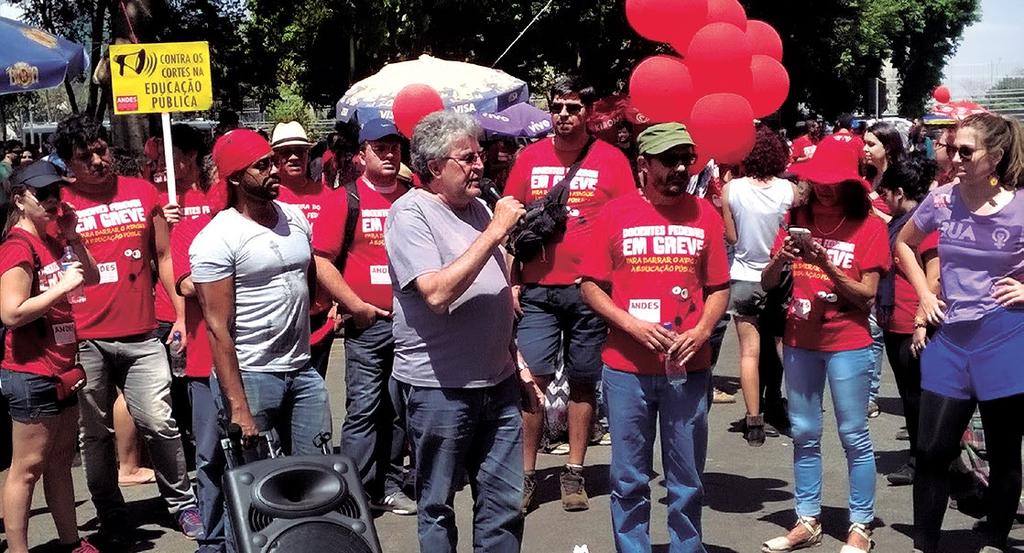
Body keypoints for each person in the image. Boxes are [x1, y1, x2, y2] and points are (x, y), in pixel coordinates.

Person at [384, 110, 543, 553]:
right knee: (437, 505)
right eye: (467, 158)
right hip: (441, 390)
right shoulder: (410, 214)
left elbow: (498, 300)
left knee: (504, 505)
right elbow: (436, 294)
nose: (480, 165)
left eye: (480, 155)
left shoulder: (479, 208)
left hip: (498, 383)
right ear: (435, 168)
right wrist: (494, 233)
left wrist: (520, 366)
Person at [53, 114, 203, 546]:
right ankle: (110, 511)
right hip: (83, 340)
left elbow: (164, 257)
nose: (99, 161)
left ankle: (182, 503)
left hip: (141, 335)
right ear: (69, 163)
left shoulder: (142, 192)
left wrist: (178, 314)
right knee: (95, 433)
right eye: (86, 157)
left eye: (102, 150)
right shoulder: (59, 203)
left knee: (160, 421)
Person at [579, 122, 730, 553]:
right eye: (669, 160)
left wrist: (702, 331)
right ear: (643, 165)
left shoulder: (707, 215)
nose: (680, 168)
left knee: (686, 481)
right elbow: (589, 284)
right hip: (626, 369)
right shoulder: (614, 213)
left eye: (686, 159)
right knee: (628, 478)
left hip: (688, 368)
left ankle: (686, 547)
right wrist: (630, 324)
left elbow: (719, 286)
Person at [504, 76, 635, 513]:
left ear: (588, 113)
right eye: (558, 107)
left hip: (591, 291)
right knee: (531, 382)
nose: (564, 115)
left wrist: (621, 285)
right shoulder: (529, 159)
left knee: (583, 381)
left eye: (573, 108)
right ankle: (525, 474)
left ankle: (574, 473)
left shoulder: (612, 160)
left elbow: (625, 223)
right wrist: (512, 281)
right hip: (538, 288)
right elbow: (511, 224)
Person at [895, 112, 1024, 553]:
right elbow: (904, 245)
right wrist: (923, 296)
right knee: (932, 450)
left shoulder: (1022, 204)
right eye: (952, 150)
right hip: (949, 338)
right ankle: (925, 542)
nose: (954, 158)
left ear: (996, 157)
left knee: (1005, 455)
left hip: (1005, 337)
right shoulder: (943, 200)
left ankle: (993, 533)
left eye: (966, 151)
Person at [760, 138, 890, 553]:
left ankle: (860, 524)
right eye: (818, 181)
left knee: (854, 434)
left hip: (848, 341)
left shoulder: (869, 225)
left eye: (834, 182)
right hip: (800, 338)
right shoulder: (796, 216)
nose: (825, 189)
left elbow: (866, 295)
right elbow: (766, 284)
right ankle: (807, 518)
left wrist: (825, 264)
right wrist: (780, 259)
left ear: (852, 183)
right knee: (804, 432)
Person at [190, 129, 331, 456]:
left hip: (301, 369)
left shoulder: (295, 218)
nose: (274, 171)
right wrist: (238, 407)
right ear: (237, 179)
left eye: (272, 163)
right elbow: (217, 328)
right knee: (257, 488)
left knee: (317, 477)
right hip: (251, 375)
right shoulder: (217, 238)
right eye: (262, 166)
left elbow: (308, 281)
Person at [314, 118, 416, 515]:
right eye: (380, 147)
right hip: (368, 325)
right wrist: (356, 306)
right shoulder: (345, 199)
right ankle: (351, 493)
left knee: (398, 408)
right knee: (363, 408)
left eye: (395, 147)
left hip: (410, 325)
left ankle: (389, 484)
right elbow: (322, 261)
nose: (389, 154)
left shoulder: (414, 197)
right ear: (361, 155)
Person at [0, 161, 101, 553]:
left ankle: (71, 541)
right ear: (20, 199)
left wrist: (74, 237)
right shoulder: (17, 246)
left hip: (61, 367)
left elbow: (89, 277)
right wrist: (61, 288)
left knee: (60, 461)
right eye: (43, 194)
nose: (53, 201)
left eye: (56, 193)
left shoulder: (53, 240)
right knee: (26, 469)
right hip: (30, 370)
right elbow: (10, 312)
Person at [720, 126, 795, 446]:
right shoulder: (789, 191)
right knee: (780, 342)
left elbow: (732, 237)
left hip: (744, 275)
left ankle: (754, 420)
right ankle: (779, 401)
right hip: (782, 274)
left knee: (748, 352)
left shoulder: (731, 190)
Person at [874, 157, 938, 487]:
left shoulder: (921, 225)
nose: (883, 199)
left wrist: (920, 321)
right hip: (895, 320)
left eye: (886, 193)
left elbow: (934, 276)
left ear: (899, 192)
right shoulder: (903, 220)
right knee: (910, 393)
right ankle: (921, 455)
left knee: (917, 396)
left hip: (912, 322)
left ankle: (922, 459)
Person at [270, 120, 344, 377]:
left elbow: (335, 254)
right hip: (277, 313)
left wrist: (339, 301)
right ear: (274, 157)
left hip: (319, 314)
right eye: (285, 152)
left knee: (313, 393)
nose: (293, 157)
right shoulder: (264, 199)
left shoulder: (330, 197)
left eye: (300, 151)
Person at [861, 121, 907, 417]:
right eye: (863, 144)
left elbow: (907, 226)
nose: (864, 149)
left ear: (887, 147)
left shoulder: (900, 179)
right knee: (872, 333)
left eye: (870, 144)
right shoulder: (865, 178)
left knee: (883, 332)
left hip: (897, 271)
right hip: (869, 264)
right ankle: (869, 395)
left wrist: (871, 209)